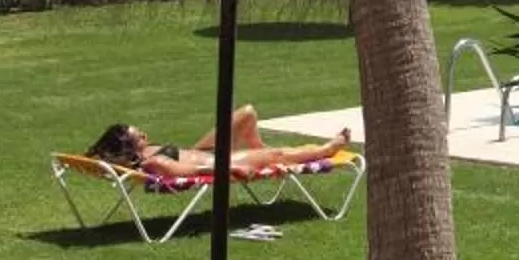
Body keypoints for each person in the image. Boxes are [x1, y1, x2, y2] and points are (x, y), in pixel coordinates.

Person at [86, 104, 344, 179]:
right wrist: (229, 168)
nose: (144, 134)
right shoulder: (154, 163)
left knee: (247, 113)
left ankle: (260, 151)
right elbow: (192, 171)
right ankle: (326, 149)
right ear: (131, 147)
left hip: (203, 152)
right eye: (138, 135)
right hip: (219, 161)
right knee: (277, 156)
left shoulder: (148, 155)